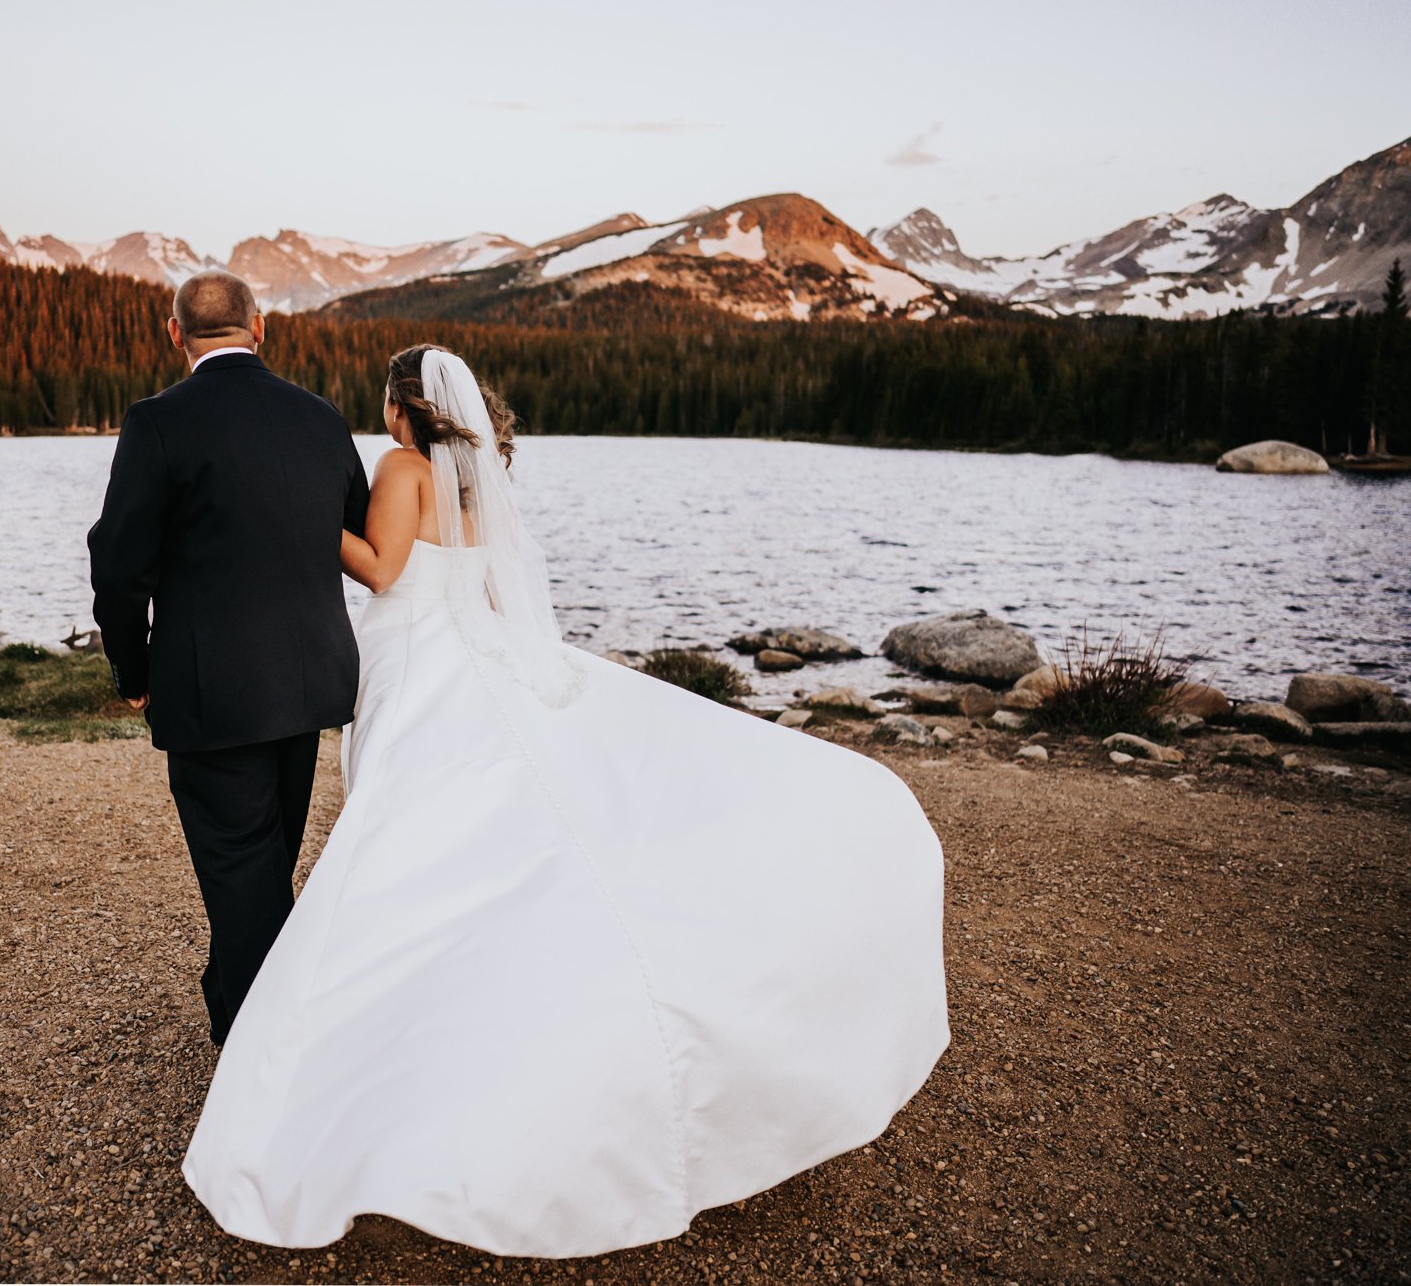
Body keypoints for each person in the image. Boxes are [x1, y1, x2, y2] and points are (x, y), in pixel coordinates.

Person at [180, 342, 952, 1257]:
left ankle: (374, 1060)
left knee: (402, 846)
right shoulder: (478, 482)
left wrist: (296, 516)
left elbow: (382, 570)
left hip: (418, 667)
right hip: (476, 652)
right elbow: (492, 586)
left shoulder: (400, 467)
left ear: (400, 410)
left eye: (385, 404)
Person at [86, 270, 369, 1048]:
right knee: (263, 865)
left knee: (243, 873)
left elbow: (117, 564)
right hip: (310, 684)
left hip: (213, 692)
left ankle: (264, 1056)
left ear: (174, 333)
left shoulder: (158, 422)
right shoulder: (320, 417)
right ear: (261, 327)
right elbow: (351, 528)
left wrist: (134, 673)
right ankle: (246, 1004)